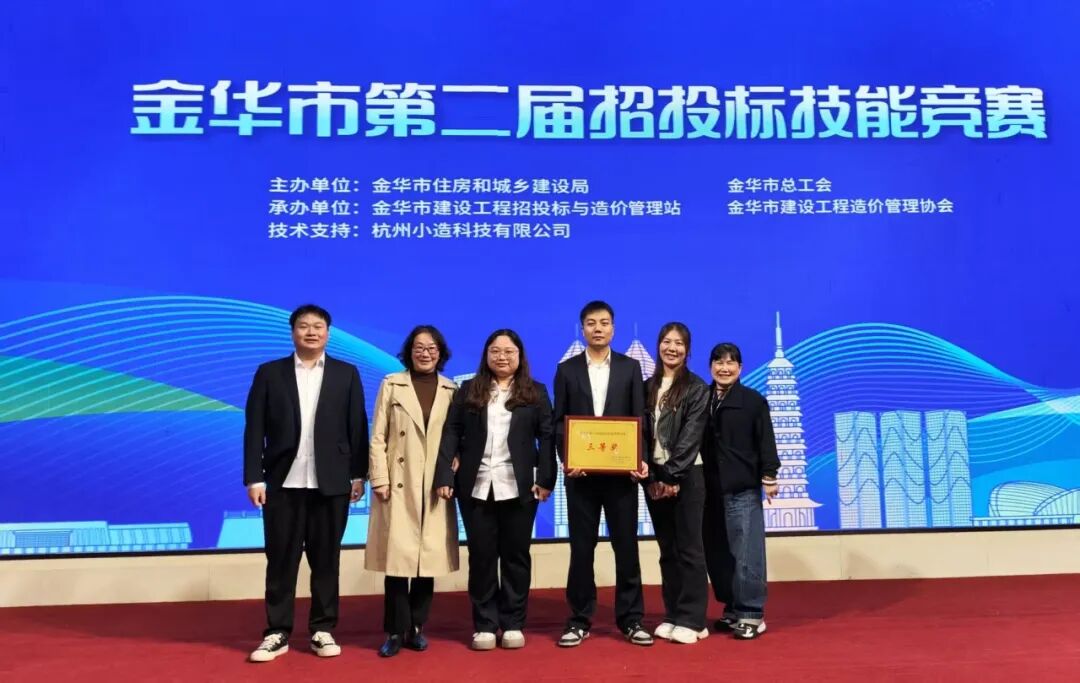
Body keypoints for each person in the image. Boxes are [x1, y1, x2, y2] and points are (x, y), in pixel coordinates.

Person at [243, 304, 369, 663]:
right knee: (280, 560)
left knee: (326, 560)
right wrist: (254, 477)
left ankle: (322, 629)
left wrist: (358, 475)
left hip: (332, 483)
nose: (311, 332)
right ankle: (277, 632)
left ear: (328, 333)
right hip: (283, 481)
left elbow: (357, 427)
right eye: (303, 326)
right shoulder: (270, 373)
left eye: (318, 326)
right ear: (292, 331)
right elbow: (254, 428)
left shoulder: (346, 373)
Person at [435, 329, 556, 651]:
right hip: (476, 486)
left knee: (516, 556)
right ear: (486, 355)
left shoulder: (535, 392)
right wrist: (445, 474)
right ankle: (485, 624)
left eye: (508, 351)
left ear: (520, 356)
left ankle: (513, 622)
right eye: (495, 351)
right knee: (482, 556)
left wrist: (546, 479)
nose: (502, 357)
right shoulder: (469, 390)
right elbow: (451, 432)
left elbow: (547, 437)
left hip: (519, 487)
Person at [553, 300, 652, 648]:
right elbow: (559, 423)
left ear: (613, 328)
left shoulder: (630, 368)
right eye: (592, 323)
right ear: (582, 328)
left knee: (627, 548)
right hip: (581, 477)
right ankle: (579, 619)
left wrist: (640, 459)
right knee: (582, 549)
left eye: (604, 322)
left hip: (621, 477)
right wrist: (568, 459)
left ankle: (631, 619)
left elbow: (639, 418)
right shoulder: (566, 370)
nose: (598, 328)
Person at [365, 325, 460, 657]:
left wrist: (453, 469)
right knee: (397, 562)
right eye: (419, 347)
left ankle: (417, 627)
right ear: (409, 351)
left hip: (434, 484)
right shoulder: (392, 384)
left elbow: (457, 438)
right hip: (398, 483)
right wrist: (379, 478)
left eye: (432, 348)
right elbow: (378, 435)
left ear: (441, 353)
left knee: (426, 560)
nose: (425, 353)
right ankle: (394, 630)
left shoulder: (451, 389)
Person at [701, 342, 779, 640]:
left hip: (741, 488)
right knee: (719, 555)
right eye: (719, 362)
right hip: (708, 491)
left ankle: (752, 613)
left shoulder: (753, 401)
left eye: (731, 362)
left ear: (740, 368)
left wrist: (769, 475)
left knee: (747, 553)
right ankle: (732, 608)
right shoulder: (701, 398)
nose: (724, 368)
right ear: (711, 366)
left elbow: (766, 441)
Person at [641, 323, 710, 644]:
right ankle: (673, 613)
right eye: (667, 342)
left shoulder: (697, 388)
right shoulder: (646, 387)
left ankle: (693, 620)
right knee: (667, 550)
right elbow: (640, 435)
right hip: (655, 478)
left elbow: (690, 438)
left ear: (688, 350)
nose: (672, 348)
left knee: (690, 549)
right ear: (658, 346)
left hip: (688, 476)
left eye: (679, 343)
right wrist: (652, 478)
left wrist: (671, 476)